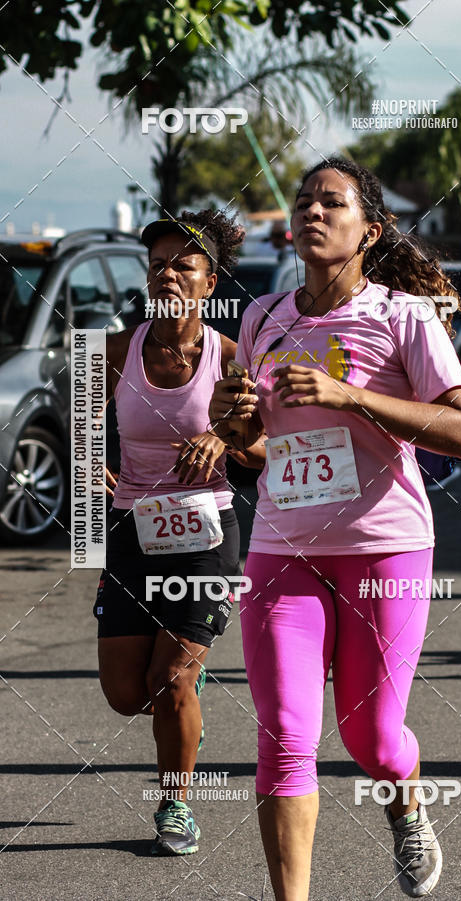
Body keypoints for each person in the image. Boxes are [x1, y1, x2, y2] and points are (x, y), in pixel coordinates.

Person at [208, 157, 461, 899]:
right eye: (304, 202)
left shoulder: (404, 316)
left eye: (332, 202)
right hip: (283, 546)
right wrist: (233, 420)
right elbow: (259, 445)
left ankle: (406, 797)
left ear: (371, 229)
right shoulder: (263, 317)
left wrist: (349, 394)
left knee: (373, 741)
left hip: (384, 547)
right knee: (286, 737)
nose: (313, 212)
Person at [95, 210, 263, 856]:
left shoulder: (228, 357)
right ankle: (184, 723)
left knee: (172, 680)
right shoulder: (118, 349)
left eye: (183, 265)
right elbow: (83, 425)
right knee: (124, 693)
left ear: (209, 282)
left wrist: (221, 435)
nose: (167, 274)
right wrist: (92, 467)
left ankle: (176, 802)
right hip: (134, 529)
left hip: (206, 530)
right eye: (158, 264)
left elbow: (262, 449)